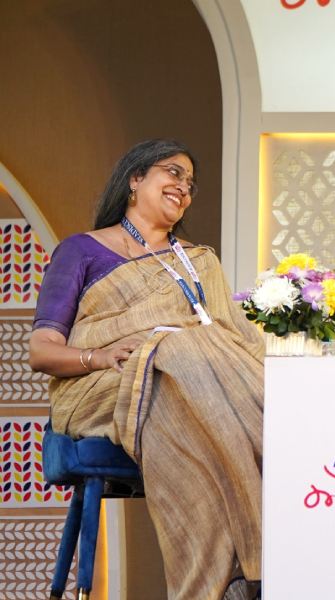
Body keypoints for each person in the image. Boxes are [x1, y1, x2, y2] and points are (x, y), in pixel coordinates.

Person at [29, 140, 264, 600]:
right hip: (99, 384)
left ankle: (218, 581)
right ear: (135, 179)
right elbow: (41, 350)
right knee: (178, 354)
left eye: (191, 183)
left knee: (183, 359)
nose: (184, 187)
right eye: (173, 173)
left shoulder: (199, 262)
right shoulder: (82, 251)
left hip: (187, 385)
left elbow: (235, 341)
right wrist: (100, 355)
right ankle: (256, 561)